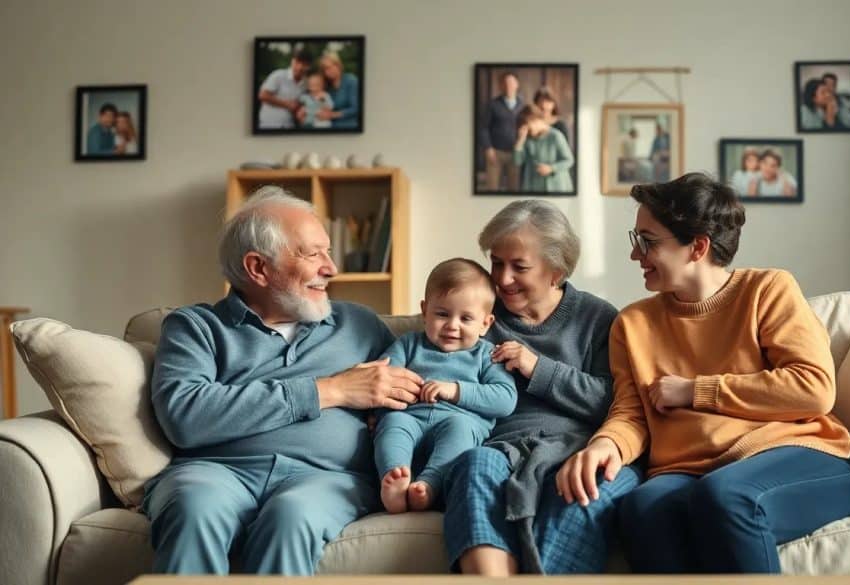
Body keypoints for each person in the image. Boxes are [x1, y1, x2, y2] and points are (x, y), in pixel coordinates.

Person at [556, 173, 850, 574]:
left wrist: (695, 391)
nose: (635, 255)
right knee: (641, 508)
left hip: (797, 455)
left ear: (697, 247)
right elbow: (632, 413)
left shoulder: (767, 289)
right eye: (636, 240)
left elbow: (814, 388)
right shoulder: (631, 324)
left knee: (726, 496)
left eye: (648, 241)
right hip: (690, 470)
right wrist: (606, 445)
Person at [144, 186, 424, 575]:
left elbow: (415, 396)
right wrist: (330, 390)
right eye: (313, 254)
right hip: (216, 472)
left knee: (290, 515)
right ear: (258, 268)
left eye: (328, 251)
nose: (332, 268)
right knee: (194, 508)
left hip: (327, 479)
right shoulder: (196, 327)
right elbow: (186, 417)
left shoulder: (359, 325)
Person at [443, 200, 642, 575]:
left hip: (582, 448)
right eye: (496, 262)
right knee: (474, 465)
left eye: (519, 267)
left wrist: (539, 369)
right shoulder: (478, 318)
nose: (502, 279)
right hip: (502, 448)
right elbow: (438, 371)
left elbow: (617, 401)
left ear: (556, 271)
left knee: (584, 489)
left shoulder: (597, 318)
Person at [375, 258, 517, 513]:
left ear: (485, 324)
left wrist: (455, 390)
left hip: (459, 420)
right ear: (424, 311)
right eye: (442, 314)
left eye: (466, 318)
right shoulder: (408, 344)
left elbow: (505, 399)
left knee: (459, 430)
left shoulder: (487, 355)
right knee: (393, 424)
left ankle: (429, 486)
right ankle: (394, 479)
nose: (452, 325)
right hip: (409, 417)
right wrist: (378, 411)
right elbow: (381, 379)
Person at [479, 71, 525, 191]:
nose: (508, 86)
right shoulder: (492, 104)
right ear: (501, 86)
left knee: (514, 188)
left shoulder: (522, 105)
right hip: (495, 152)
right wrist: (488, 148)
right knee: (492, 187)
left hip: (515, 153)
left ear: (517, 84)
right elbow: (483, 128)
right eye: (505, 83)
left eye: (511, 83)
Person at [513, 104, 575, 193]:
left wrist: (551, 168)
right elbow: (517, 162)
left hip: (556, 186)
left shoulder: (555, 136)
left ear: (536, 120)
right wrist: (520, 141)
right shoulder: (526, 138)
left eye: (527, 126)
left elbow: (569, 160)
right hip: (533, 187)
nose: (526, 130)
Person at [258, 47, 311, 129]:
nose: (300, 67)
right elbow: (262, 95)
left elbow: (301, 105)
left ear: (308, 66)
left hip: (289, 126)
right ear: (292, 61)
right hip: (269, 125)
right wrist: (287, 104)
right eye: (297, 62)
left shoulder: (306, 83)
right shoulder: (278, 75)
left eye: (304, 64)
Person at [317, 51, 360, 130]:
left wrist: (333, 115)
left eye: (330, 67)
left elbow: (356, 108)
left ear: (338, 65)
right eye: (325, 69)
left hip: (350, 126)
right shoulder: (326, 87)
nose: (328, 71)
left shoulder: (351, 80)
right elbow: (321, 106)